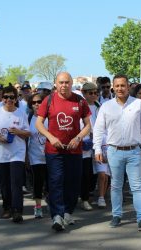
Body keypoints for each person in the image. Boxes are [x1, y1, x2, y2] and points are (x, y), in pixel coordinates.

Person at [93, 74, 141, 232]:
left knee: (137, 187)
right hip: (114, 151)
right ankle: (116, 215)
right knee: (115, 186)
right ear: (113, 87)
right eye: (117, 86)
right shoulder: (106, 106)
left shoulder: (139, 104)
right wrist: (98, 149)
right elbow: (99, 129)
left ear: (128, 87)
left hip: (134, 151)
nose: (120, 88)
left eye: (123, 85)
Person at [35, 72, 91, 232]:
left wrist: (78, 138)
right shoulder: (49, 100)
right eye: (61, 82)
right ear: (55, 84)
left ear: (71, 83)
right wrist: (50, 137)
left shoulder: (80, 100)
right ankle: (57, 216)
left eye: (67, 82)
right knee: (56, 182)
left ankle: (67, 212)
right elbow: (39, 123)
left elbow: (88, 125)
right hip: (54, 150)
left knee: (73, 183)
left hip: (74, 150)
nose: (64, 85)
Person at [0, 85, 31, 223]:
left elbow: (28, 133)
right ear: (2, 98)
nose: (8, 100)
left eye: (12, 97)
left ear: (16, 98)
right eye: (6, 97)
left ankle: (17, 210)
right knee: (5, 183)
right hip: (0, 152)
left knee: (16, 182)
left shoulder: (21, 113)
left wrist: (18, 132)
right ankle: (7, 208)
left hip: (17, 152)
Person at [79, 82, 101, 211]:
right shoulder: (80, 106)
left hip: (98, 142)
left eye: (95, 93)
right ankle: (84, 198)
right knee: (85, 173)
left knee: (97, 172)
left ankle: (91, 193)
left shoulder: (99, 105)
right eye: (90, 93)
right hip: (86, 143)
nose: (94, 95)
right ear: (84, 93)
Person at [27, 93, 48, 218]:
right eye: (33, 102)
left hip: (49, 155)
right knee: (37, 182)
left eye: (39, 102)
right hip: (34, 156)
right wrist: (25, 157)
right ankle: (38, 206)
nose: (36, 104)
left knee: (51, 182)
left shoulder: (49, 117)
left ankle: (52, 204)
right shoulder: (28, 118)